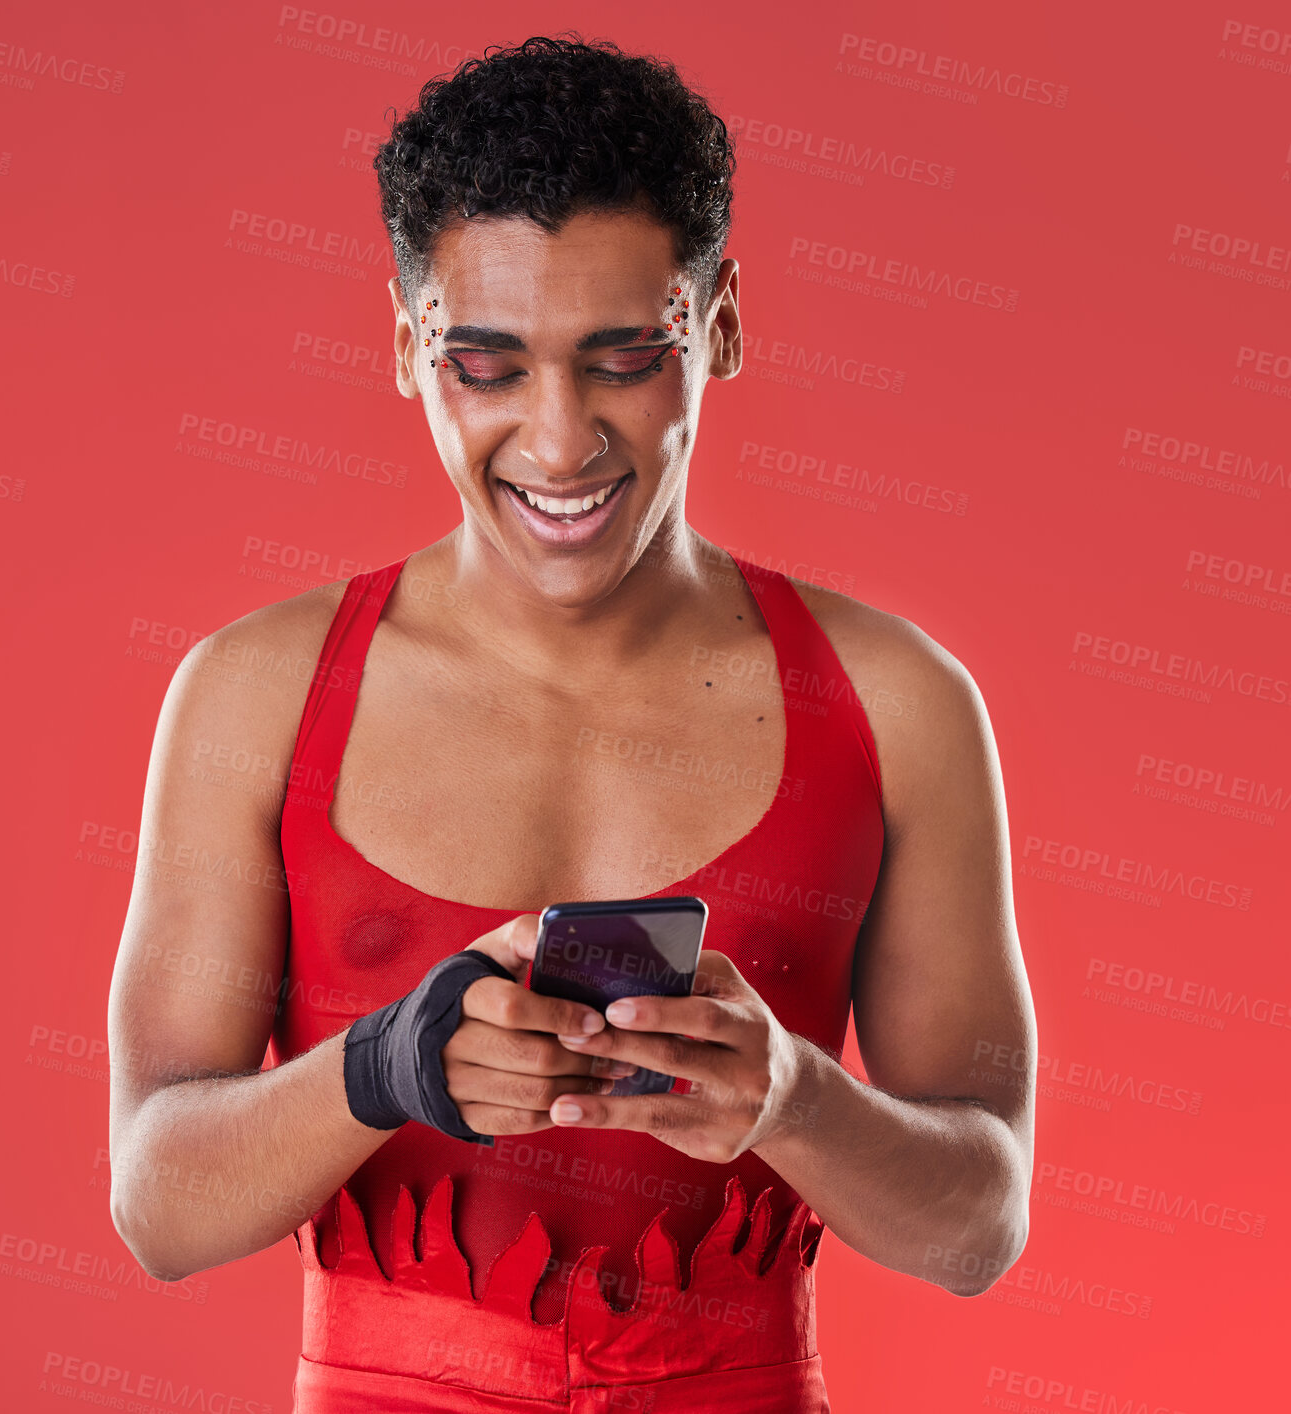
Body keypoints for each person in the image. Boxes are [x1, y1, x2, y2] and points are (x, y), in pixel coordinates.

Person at [108, 33, 1036, 1414]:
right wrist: (377, 1065)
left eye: (620, 359)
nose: (557, 441)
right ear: (409, 338)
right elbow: (159, 1210)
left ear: (716, 322)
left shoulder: (898, 703)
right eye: (486, 366)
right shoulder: (254, 693)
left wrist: (791, 1097)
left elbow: (976, 1228)